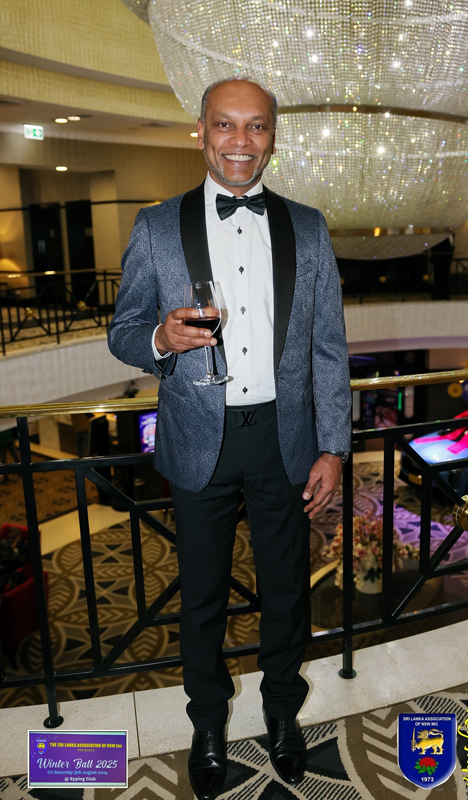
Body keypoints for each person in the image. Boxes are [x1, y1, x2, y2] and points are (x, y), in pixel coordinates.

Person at [108, 77, 351, 800]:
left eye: (255, 126)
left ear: (272, 136)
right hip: (196, 441)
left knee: (287, 592)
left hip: (285, 440)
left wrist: (333, 447)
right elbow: (123, 331)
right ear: (201, 131)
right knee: (202, 597)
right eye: (225, 125)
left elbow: (329, 348)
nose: (240, 141)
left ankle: (282, 715)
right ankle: (208, 725)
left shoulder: (308, 227)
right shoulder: (156, 226)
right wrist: (160, 337)